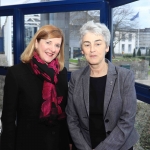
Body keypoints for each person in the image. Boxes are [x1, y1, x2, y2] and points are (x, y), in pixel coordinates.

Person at [66, 21, 139, 150]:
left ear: (107, 47)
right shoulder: (76, 78)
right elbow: (72, 119)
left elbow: (127, 121)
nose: (92, 49)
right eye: (87, 44)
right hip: (85, 145)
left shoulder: (125, 76)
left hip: (119, 146)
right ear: (82, 50)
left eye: (98, 44)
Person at [1, 25, 70, 150]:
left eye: (57, 45)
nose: (52, 49)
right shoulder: (17, 73)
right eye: (48, 42)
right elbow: (8, 119)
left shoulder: (62, 72)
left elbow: (67, 112)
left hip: (59, 143)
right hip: (29, 143)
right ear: (36, 43)